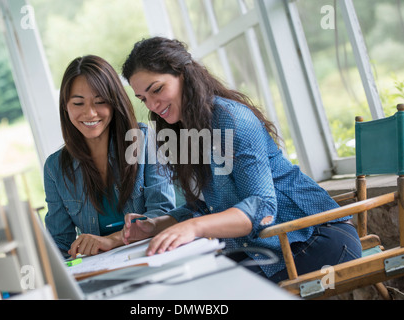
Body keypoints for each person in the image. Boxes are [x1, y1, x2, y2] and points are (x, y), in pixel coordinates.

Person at [120, 37, 362, 283]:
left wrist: (194, 227)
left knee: (216, 289)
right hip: (266, 247)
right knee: (183, 282)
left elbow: (262, 207)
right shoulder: (185, 130)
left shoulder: (232, 119)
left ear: (184, 74)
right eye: (143, 99)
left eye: (157, 89)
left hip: (312, 238)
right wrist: (157, 225)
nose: (152, 104)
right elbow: (207, 207)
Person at [44, 55, 176, 259]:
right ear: (65, 106)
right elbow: (60, 243)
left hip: (152, 256)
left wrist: (112, 240)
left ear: (114, 102)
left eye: (100, 102)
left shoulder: (145, 139)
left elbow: (163, 212)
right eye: (78, 103)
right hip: (101, 270)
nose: (90, 113)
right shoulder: (55, 168)